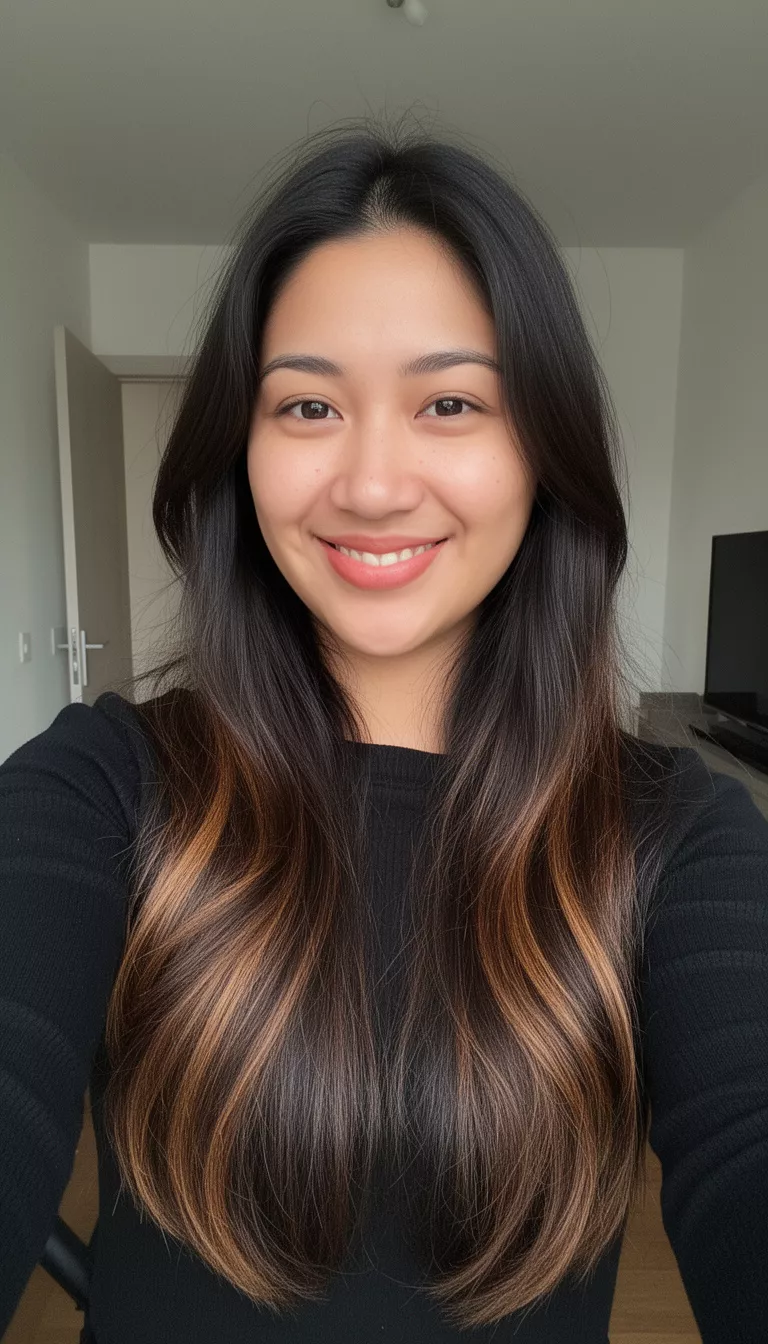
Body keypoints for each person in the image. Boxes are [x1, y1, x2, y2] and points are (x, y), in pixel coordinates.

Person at [1, 115, 767, 1344]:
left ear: (544, 450)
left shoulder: (677, 841)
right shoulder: (106, 789)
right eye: (306, 408)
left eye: (451, 402)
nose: (369, 481)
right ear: (239, 453)